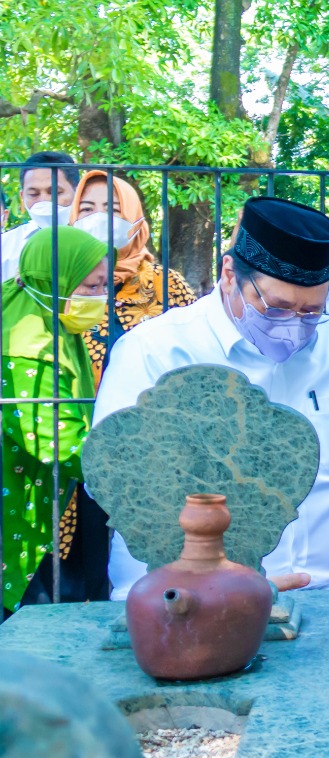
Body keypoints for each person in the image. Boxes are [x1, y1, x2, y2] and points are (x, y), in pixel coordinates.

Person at [94, 196, 329, 715]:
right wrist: (230, 582)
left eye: (311, 311)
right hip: (190, 600)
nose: (294, 324)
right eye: (275, 308)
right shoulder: (156, 351)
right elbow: (121, 485)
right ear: (229, 273)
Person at [1, 227, 109, 616]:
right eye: (92, 286)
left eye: (104, 285)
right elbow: (54, 439)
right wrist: (136, 469)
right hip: (16, 501)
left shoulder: (45, 318)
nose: (102, 298)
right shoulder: (27, 344)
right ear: (55, 281)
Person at [69, 170, 198, 384]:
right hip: (79, 413)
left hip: (154, 411)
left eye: (113, 210)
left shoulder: (167, 283)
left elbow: (197, 349)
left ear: (135, 221)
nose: (99, 218)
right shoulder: (60, 284)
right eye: (87, 209)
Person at [1, 152, 79, 283]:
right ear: (22, 197)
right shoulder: (5, 245)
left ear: (77, 192)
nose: (44, 200)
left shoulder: (97, 239)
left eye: (55, 192)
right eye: (33, 194)